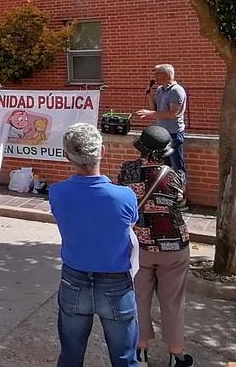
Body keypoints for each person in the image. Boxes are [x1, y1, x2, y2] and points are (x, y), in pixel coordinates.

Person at [50, 122, 139, 367]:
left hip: (74, 279)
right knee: (124, 359)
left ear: (67, 156)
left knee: (70, 355)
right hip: (116, 283)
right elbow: (131, 222)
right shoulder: (125, 196)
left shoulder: (57, 192)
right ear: (102, 151)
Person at [118, 126, 192, 367]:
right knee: (173, 301)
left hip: (139, 246)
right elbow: (181, 205)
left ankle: (140, 350)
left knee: (139, 297)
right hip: (174, 247)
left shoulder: (127, 171)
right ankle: (176, 353)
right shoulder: (176, 176)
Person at [136, 65, 188, 176]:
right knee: (165, 166)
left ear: (165, 74)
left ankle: (181, 191)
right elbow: (155, 109)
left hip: (174, 133)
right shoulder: (160, 90)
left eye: (157, 73)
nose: (154, 76)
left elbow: (172, 114)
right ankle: (168, 191)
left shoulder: (176, 91)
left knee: (177, 165)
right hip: (161, 134)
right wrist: (149, 95)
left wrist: (150, 114)